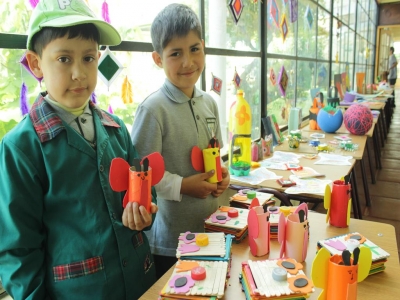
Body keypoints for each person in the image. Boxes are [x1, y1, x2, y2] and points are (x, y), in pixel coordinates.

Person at [0, 0, 158, 299]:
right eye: (63, 59)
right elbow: (18, 250)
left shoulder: (116, 129)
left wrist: (144, 210)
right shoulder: (21, 148)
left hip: (140, 282)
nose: (79, 73)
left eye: (88, 58)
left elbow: (143, 188)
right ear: (36, 64)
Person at [130, 3, 230, 279]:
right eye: (176, 53)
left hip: (212, 229)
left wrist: (223, 176)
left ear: (204, 47)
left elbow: (215, 153)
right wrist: (184, 185)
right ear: (158, 59)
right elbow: (142, 177)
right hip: (172, 242)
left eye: (194, 49)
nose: (188, 62)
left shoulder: (210, 102)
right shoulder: (153, 110)